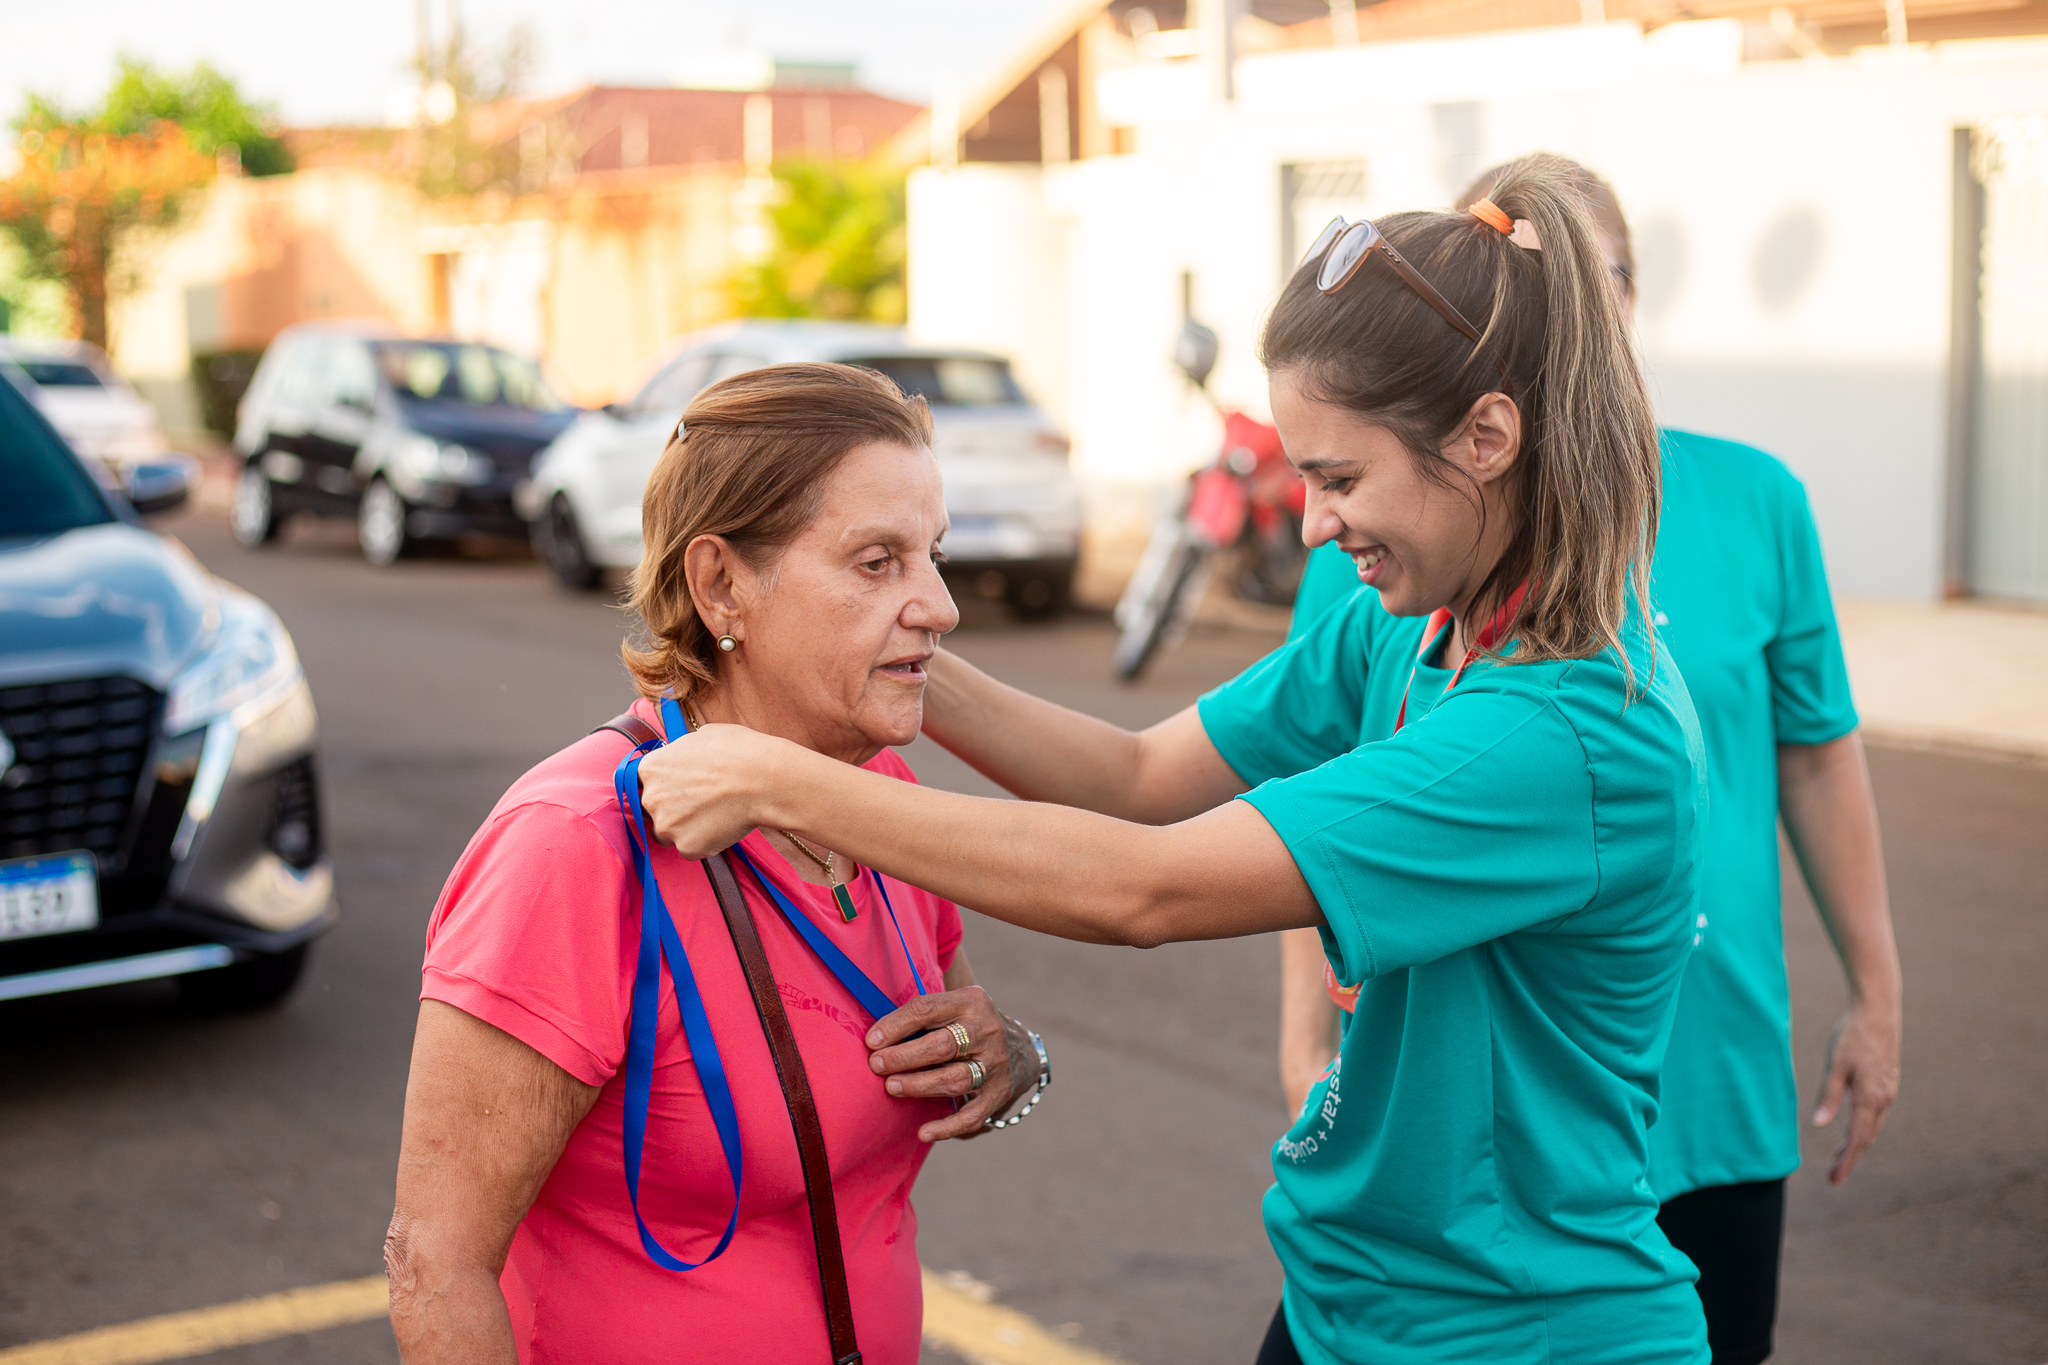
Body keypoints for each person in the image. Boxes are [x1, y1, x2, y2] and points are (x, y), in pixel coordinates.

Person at [639, 156, 1713, 1364]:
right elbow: (1134, 778)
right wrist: (870, 644)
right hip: (1350, 1302)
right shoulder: (1413, 618)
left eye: (1339, 479)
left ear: (1486, 438)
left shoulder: (1562, 736)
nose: (1310, 524)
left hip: (1518, 1334)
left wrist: (776, 776)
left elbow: (1140, 885)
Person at [1278, 160, 1902, 1365]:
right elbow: (1308, 817)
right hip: (1478, 1107)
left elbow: (1816, 760)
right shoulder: (1381, 539)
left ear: (1627, 298)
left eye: (1598, 277)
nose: (1578, 313)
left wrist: (1875, 996)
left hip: (1708, 1078)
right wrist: (1308, 1040)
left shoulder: (1752, 500)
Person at [384, 364, 1046, 1365]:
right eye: (877, 562)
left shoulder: (881, 804)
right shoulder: (573, 846)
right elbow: (435, 1264)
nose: (939, 606)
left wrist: (1009, 1057)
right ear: (720, 583)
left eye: (932, 555)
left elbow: (958, 1035)